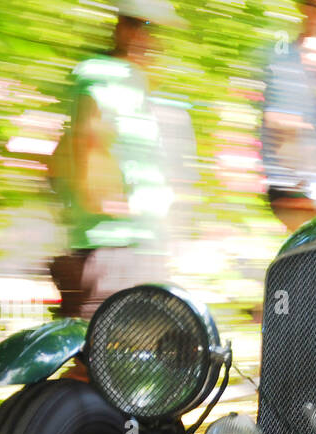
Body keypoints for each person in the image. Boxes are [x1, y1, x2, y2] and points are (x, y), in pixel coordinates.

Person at [48, 0, 181, 321]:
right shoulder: (101, 74)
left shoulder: (137, 81)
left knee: (129, 354)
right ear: (124, 28)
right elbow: (86, 142)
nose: (149, 38)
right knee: (102, 356)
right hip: (110, 246)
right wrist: (105, 203)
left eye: (153, 29)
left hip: (137, 245)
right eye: (142, 26)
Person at [261, 0, 316, 232]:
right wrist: (299, 185)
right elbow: (281, 124)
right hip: (298, 186)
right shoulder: (287, 62)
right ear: (305, 10)